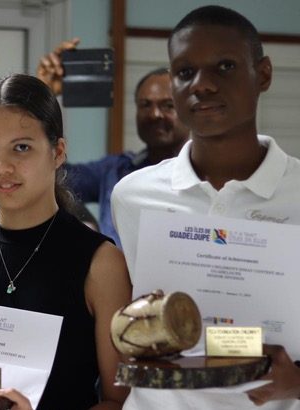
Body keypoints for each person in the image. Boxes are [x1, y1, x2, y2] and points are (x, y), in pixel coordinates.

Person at [111, 5, 300, 410]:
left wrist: (298, 383)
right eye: (185, 72)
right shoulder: (133, 195)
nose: (202, 85)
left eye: (225, 67)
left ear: (263, 74)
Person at [0, 74, 131, 409]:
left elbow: (119, 401)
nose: (3, 167)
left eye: (21, 148)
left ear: (58, 152)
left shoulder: (101, 263)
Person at [37, 38, 190, 245]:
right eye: (145, 105)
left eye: (168, 105)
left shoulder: (209, 174)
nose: (155, 114)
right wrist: (42, 97)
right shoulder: (114, 171)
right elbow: (51, 174)